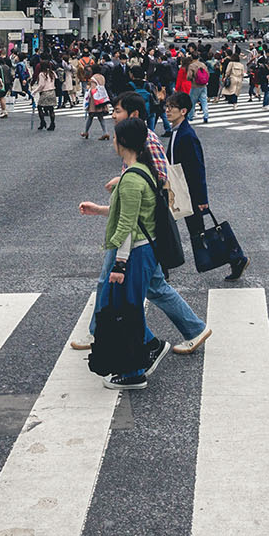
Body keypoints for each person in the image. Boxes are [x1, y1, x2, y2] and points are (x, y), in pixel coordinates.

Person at [74, 117, 171, 390]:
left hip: (135, 253)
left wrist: (119, 265)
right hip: (145, 250)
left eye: (116, 138)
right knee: (131, 308)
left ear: (124, 143)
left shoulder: (130, 179)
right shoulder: (143, 171)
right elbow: (131, 213)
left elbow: (127, 225)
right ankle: (141, 357)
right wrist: (99, 209)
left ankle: (133, 372)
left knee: (129, 310)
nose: (113, 142)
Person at [164, 91, 248, 283]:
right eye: (167, 107)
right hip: (179, 190)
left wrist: (202, 199)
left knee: (198, 233)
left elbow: (197, 168)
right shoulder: (178, 131)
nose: (167, 110)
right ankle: (163, 268)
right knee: (173, 228)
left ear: (183, 111)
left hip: (189, 193)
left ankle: (236, 257)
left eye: (172, 107)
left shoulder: (187, 135)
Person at [83, 72, 112, 140]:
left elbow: (93, 90)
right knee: (100, 117)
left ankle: (86, 132)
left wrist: (88, 90)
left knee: (91, 116)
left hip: (95, 100)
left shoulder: (93, 78)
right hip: (101, 99)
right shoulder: (102, 77)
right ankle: (105, 132)